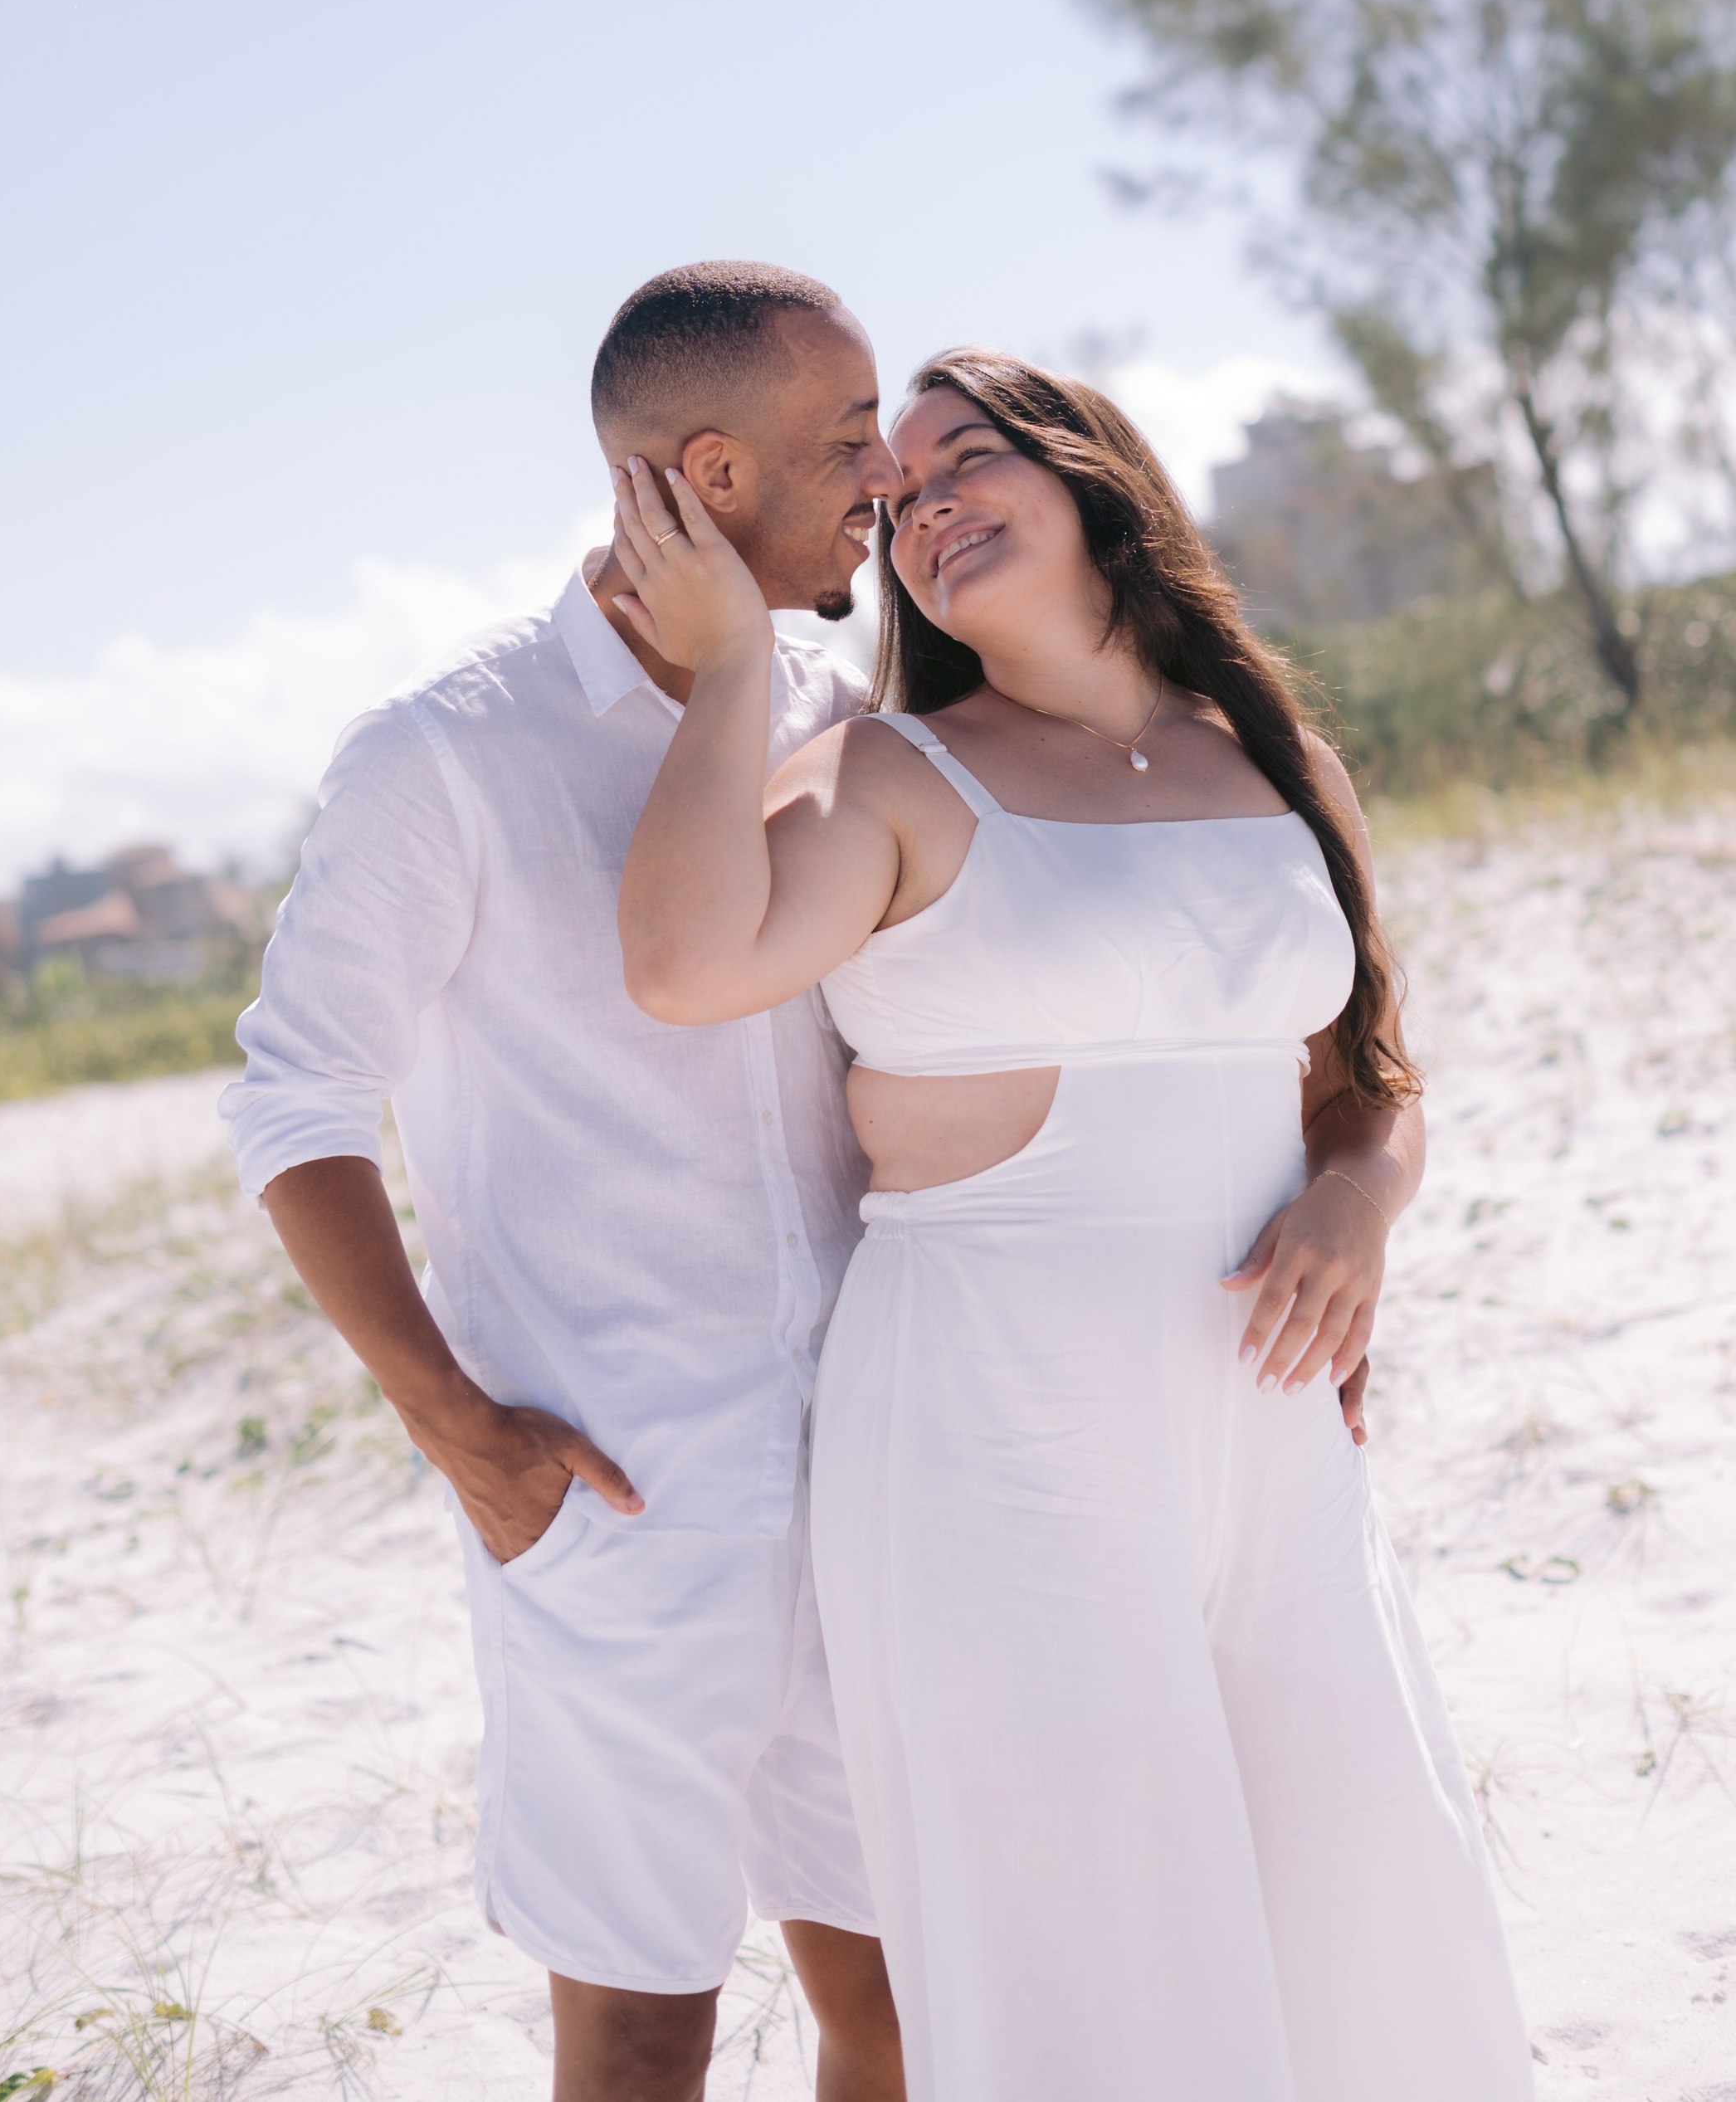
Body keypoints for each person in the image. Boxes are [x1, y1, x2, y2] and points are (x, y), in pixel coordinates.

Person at [612, 347, 1534, 2102]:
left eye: (966, 461)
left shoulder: (1275, 761)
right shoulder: (888, 777)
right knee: (1092, 1931)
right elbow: (678, 962)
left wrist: (1358, 1195)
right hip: (990, 1434)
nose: (927, 506)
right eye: (895, 501)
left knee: (1350, 1879)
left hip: (1266, 1437)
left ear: (1090, 475)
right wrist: (734, 662)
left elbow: (1364, 1077)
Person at [218, 261, 908, 2102]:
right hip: (618, 1496)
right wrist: (459, 1426)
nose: (887, 471)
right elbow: (295, 1105)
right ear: (710, 469)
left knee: (901, 1991)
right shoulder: (442, 754)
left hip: (872, 1468)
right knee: (636, 2029)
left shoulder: (845, 707)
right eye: (848, 440)